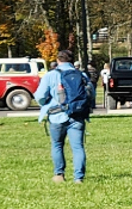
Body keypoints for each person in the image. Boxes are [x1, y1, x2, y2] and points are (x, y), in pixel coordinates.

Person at [34, 53, 94, 184]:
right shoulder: (81, 75)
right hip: (77, 115)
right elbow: (91, 93)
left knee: (57, 145)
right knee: (78, 147)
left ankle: (59, 175)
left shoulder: (50, 75)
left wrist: (46, 103)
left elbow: (39, 96)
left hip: (56, 116)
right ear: (72, 61)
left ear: (57, 60)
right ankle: (78, 178)